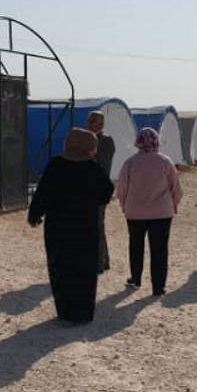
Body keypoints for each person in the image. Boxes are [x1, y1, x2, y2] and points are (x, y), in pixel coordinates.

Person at [27, 128, 115, 324]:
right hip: (85, 226)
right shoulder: (93, 168)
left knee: (61, 267)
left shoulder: (56, 165)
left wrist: (35, 215)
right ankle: (83, 312)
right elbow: (106, 192)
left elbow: (42, 193)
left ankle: (65, 311)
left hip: (58, 227)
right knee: (85, 268)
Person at [115, 127, 182, 296]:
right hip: (162, 212)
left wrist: (124, 205)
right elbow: (175, 187)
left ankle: (136, 278)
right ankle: (158, 286)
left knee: (136, 245)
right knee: (160, 249)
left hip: (135, 211)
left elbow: (121, 188)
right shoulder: (165, 161)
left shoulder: (130, 162)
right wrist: (174, 205)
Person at [87, 110, 117, 273]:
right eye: (89, 121)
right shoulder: (89, 139)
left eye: (93, 121)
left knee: (97, 225)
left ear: (101, 124)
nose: (89, 124)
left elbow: (102, 166)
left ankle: (99, 262)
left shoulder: (104, 141)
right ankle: (102, 260)